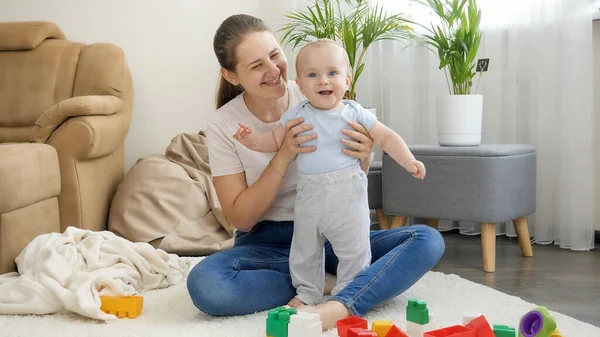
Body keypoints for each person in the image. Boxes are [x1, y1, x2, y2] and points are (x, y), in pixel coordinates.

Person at [185, 14, 445, 331]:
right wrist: (283, 155)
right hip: (268, 242)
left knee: (427, 240)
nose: (273, 70)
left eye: (275, 55)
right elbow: (241, 219)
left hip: (337, 229)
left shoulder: (318, 88)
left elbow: (352, 175)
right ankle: (332, 282)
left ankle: (340, 303)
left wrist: (364, 156)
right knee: (207, 285)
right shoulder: (225, 124)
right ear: (231, 75)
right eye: (256, 65)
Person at [232, 38, 426, 308]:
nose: (323, 81)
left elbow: (387, 137)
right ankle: (307, 292)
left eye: (332, 73)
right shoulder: (296, 113)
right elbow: (274, 141)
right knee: (304, 250)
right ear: (300, 84)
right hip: (310, 194)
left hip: (347, 193)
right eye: (313, 75)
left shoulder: (355, 113)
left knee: (355, 248)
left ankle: (346, 293)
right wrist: (253, 141)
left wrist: (408, 160)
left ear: (347, 80)